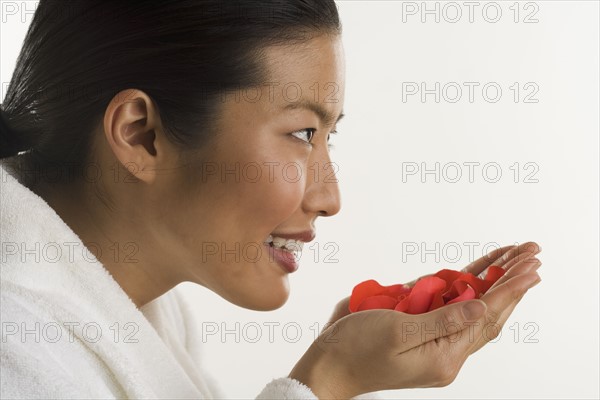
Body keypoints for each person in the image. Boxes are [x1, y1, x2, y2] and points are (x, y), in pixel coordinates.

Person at [0, 1, 542, 398]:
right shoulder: (14, 350)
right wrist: (328, 379)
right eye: (303, 133)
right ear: (143, 135)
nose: (330, 198)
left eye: (330, 138)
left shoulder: (150, 312)